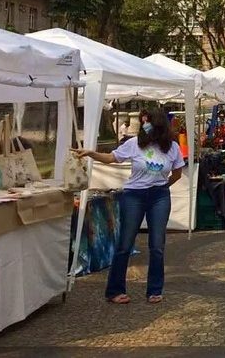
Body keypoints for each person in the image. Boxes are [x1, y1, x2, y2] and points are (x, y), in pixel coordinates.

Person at [74, 108, 185, 305]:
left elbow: (177, 173)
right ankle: (115, 290)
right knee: (125, 243)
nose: (145, 125)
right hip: (134, 195)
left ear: (158, 124)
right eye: (142, 122)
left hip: (159, 196)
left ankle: (154, 290)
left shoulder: (172, 147)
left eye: (148, 121)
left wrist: (163, 186)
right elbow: (111, 158)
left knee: (157, 245)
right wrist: (91, 153)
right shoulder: (134, 144)